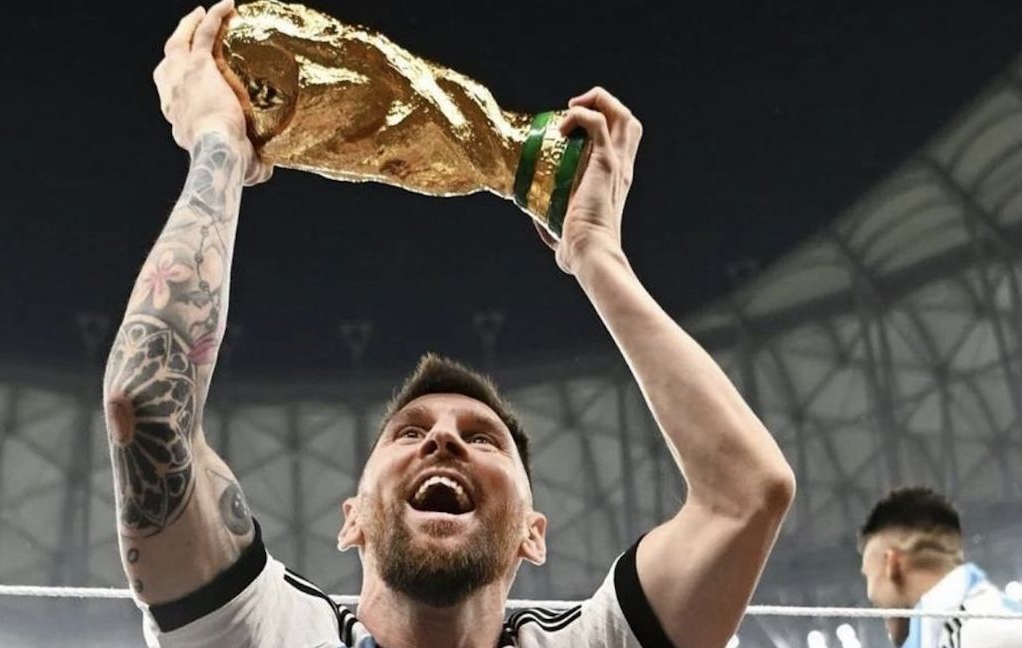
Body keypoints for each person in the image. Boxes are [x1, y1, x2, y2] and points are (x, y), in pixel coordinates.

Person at [102, 1, 796, 646]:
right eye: (408, 433)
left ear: (533, 533)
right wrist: (220, 143)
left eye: (484, 439)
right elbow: (147, 405)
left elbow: (748, 495)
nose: (443, 439)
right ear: (352, 520)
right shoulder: (267, 632)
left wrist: (595, 255)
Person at [859, 487, 1022, 648]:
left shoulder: (982, 633)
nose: (870, 594)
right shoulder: (959, 626)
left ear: (892, 564)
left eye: (868, 575)